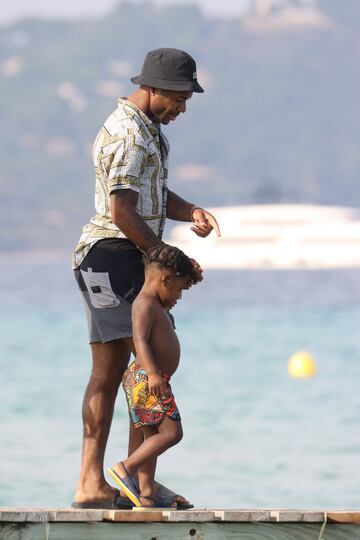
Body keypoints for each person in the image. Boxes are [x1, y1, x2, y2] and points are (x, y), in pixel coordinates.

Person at [72, 47, 220, 509]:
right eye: (178, 97)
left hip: (132, 255)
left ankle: (138, 479)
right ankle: (101, 483)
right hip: (110, 256)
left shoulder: (149, 132)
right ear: (152, 88)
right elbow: (121, 211)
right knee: (120, 369)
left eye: (186, 98)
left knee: (138, 366)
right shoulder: (127, 136)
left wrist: (188, 210)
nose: (182, 107)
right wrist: (164, 257)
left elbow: (152, 194)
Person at [108, 244, 201, 509]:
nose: (179, 296)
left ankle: (146, 493)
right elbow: (139, 340)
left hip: (146, 379)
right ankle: (126, 467)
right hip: (147, 378)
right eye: (179, 289)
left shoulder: (155, 302)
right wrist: (153, 374)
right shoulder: (145, 303)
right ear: (165, 279)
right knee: (172, 433)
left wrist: (191, 273)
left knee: (152, 437)